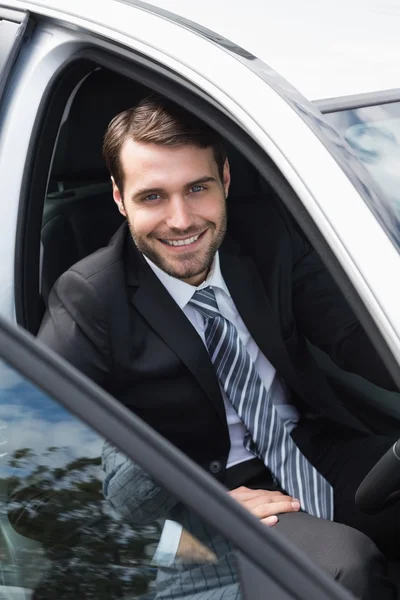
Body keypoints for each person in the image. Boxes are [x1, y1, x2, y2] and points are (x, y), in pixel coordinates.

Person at [38, 93, 400, 600]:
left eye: (198, 188)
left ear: (225, 180)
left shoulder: (268, 239)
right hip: (199, 508)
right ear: (120, 199)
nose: (182, 220)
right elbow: (41, 477)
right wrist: (205, 510)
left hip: (312, 453)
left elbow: (356, 334)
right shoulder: (89, 298)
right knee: (343, 568)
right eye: (153, 197)